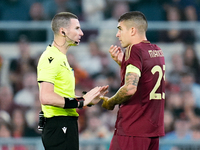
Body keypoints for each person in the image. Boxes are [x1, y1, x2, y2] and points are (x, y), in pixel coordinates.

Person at [37, 12, 108, 150]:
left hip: (65, 124)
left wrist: (86, 100)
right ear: (62, 31)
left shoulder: (61, 58)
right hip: (58, 125)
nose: (81, 33)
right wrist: (81, 101)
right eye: (77, 28)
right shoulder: (50, 58)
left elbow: (60, 95)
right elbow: (46, 97)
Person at [101, 11, 165, 150]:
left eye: (120, 29)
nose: (117, 34)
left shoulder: (134, 50)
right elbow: (144, 81)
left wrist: (110, 102)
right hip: (152, 130)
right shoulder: (157, 51)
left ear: (132, 30)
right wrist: (122, 64)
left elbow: (130, 88)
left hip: (132, 129)